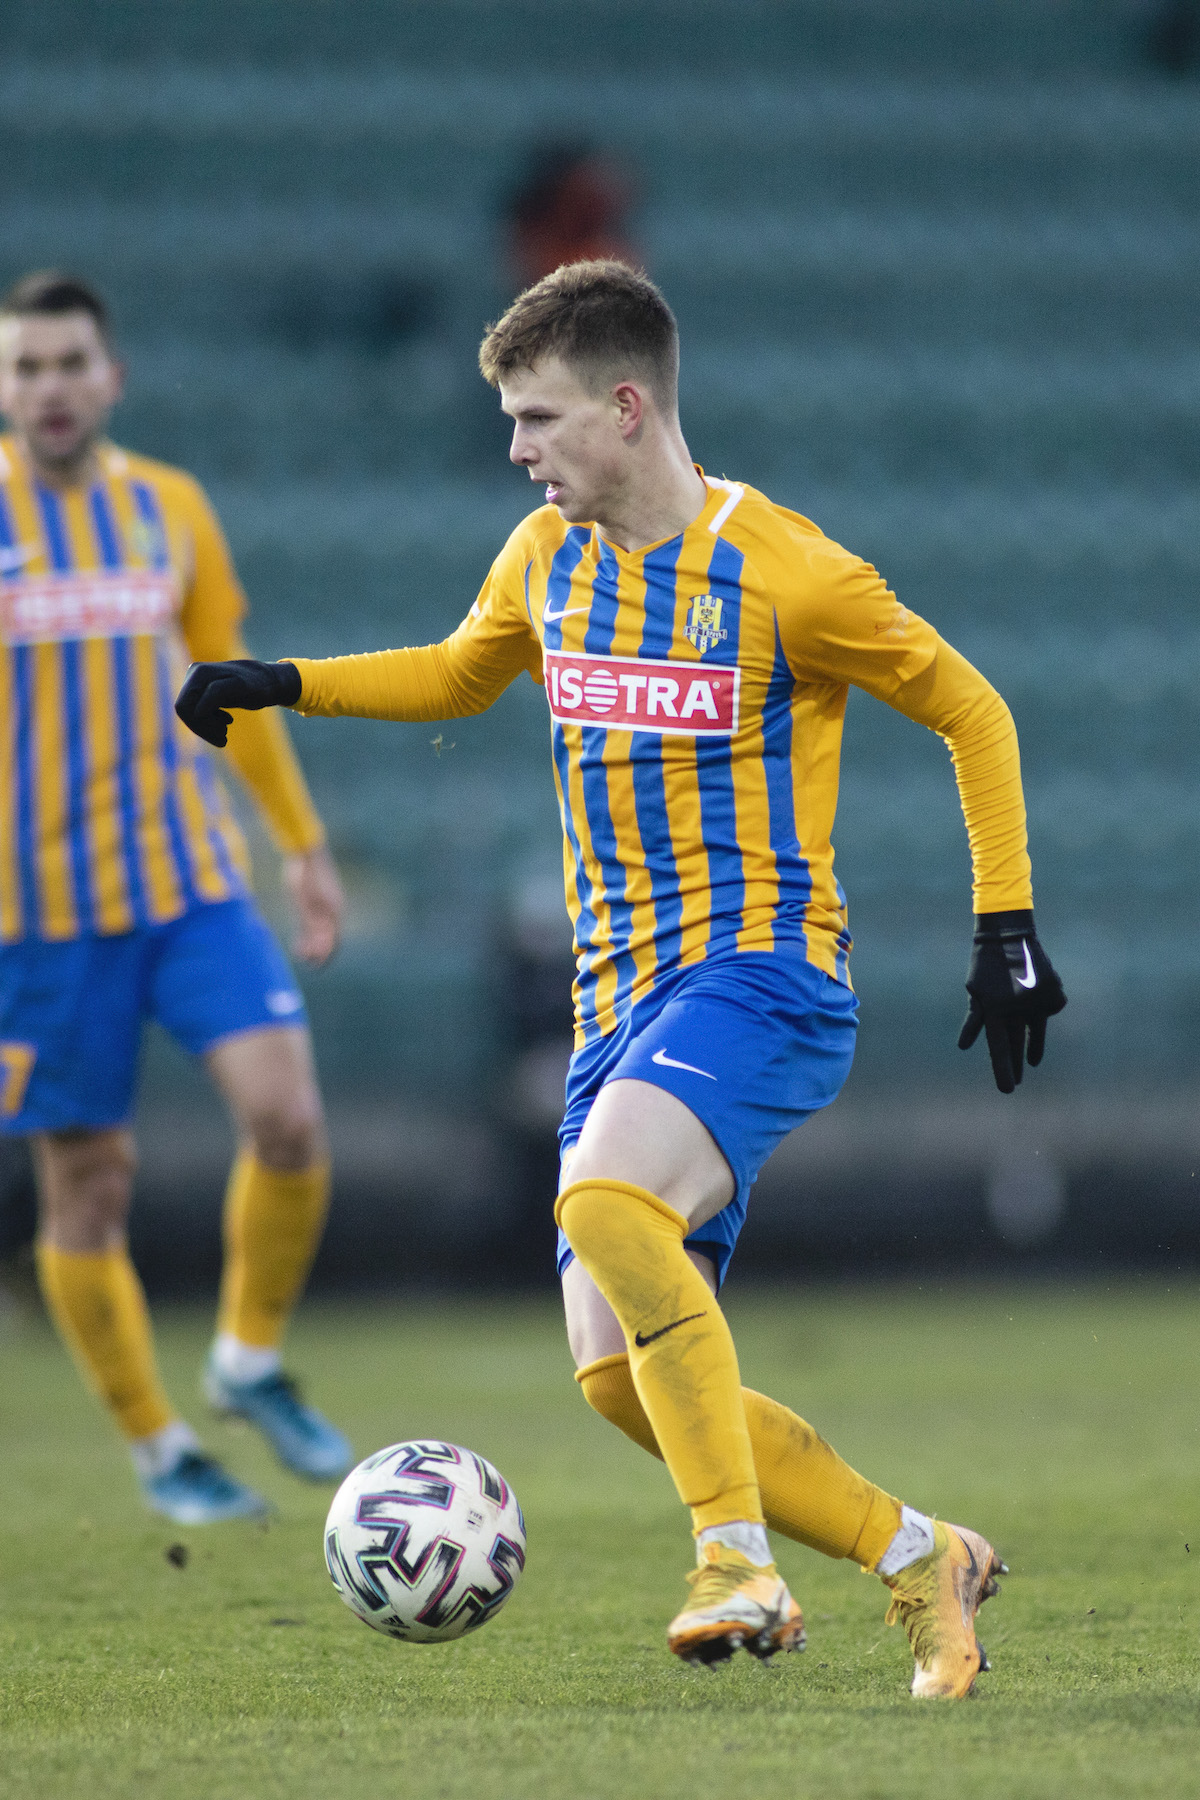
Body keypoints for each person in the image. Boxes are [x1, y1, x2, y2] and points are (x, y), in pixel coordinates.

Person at [176, 260, 1066, 1694]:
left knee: (604, 1202)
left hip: (764, 977)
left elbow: (972, 708)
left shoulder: (786, 572)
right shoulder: (546, 558)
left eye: (538, 419)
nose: (517, 449)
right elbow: (461, 674)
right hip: (620, 1007)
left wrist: (1004, 923)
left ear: (628, 407)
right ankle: (921, 1556)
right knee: (614, 1374)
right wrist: (286, 683)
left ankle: (735, 1561)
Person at [0, 271, 354, 1525]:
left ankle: (246, 1359)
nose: (50, 387)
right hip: (37, 918)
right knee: (89, 1186)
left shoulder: (170, 508)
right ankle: (161, 1449)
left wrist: (300, 842)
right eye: (26, 366)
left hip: (187, 885)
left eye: (69, 363)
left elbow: (229, 687)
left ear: (112, 377)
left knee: (288, 1117)